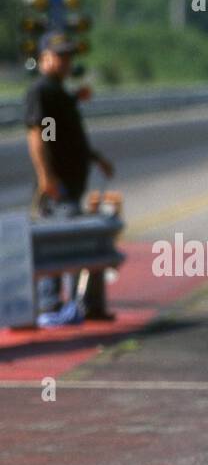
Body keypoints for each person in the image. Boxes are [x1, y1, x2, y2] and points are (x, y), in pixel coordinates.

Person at [24, 31, 115, 322]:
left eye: (68, 56)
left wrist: (95, 157)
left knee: (68, 244)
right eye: (59, 55)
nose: (66, 61)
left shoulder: (59, 93)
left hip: (71, 183)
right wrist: (46, 177)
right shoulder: (42, 91)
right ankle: (49, 305)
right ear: (43, 58)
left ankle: (71, 305)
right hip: (58, 186)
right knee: (58, 246)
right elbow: (38, 134)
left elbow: (64, 135)